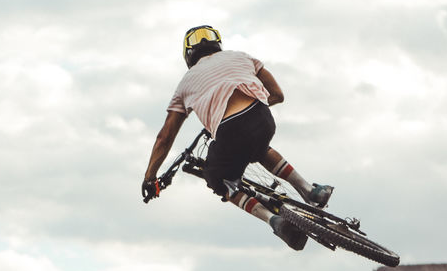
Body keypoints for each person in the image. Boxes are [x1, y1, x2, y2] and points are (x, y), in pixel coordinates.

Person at [142, 25, 332, 251]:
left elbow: (165, 136)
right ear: (217, 43)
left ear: (188, 53)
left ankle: (275, 221)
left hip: (228, 131)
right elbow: (278, 95)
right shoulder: (242, 57)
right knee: (258, 149)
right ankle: (310, 190)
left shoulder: (185, 83)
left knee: (218, 179)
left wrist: (150, 177)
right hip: (263, 119)